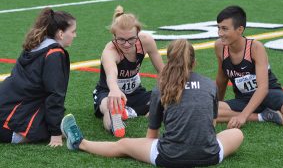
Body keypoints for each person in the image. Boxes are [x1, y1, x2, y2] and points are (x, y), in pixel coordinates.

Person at [62, 39, 243, 167]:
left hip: (169, 157)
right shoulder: (210, 85)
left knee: (123, 145)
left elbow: (152, 136)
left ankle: (80, 143)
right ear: (194, 62)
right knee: (236, 133)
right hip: (210, 155)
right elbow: (211, 126)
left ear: (169, 62)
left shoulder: (162, 87)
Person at [0, 8, 76, 146]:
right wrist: (55, 134)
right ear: (60, 33)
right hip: (10, 124)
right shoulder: (54, 54)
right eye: (73, 31)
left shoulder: (35, 44)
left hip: (4, 107)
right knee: (42, 132)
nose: (75, 35)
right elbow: (55, 94)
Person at [215, 5, 283, 128]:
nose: (220, 33)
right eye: (219, 28)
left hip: (270, 93)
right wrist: (217, 104)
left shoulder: (255, 47)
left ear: (239, 29)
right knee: (211, 110)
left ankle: (255, 114)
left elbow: (263, 88)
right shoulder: (219, 47)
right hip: (244, 99)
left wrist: (243, 116)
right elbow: (222, 79)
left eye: (224, 29)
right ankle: (264, 116)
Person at [92, 5, 164, 138]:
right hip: (108, 92)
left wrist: (163, 93)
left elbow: (162, 71)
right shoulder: (110, 51)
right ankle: (115, 118)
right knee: (109, 106)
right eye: (121, 39)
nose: (126, 44)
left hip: (136, 93)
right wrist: (114, 90)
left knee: (166, 101)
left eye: (131, 39)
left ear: (138, 34)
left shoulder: (146, 41)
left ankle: (129, 112)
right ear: (114, 36)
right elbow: (111, 76)